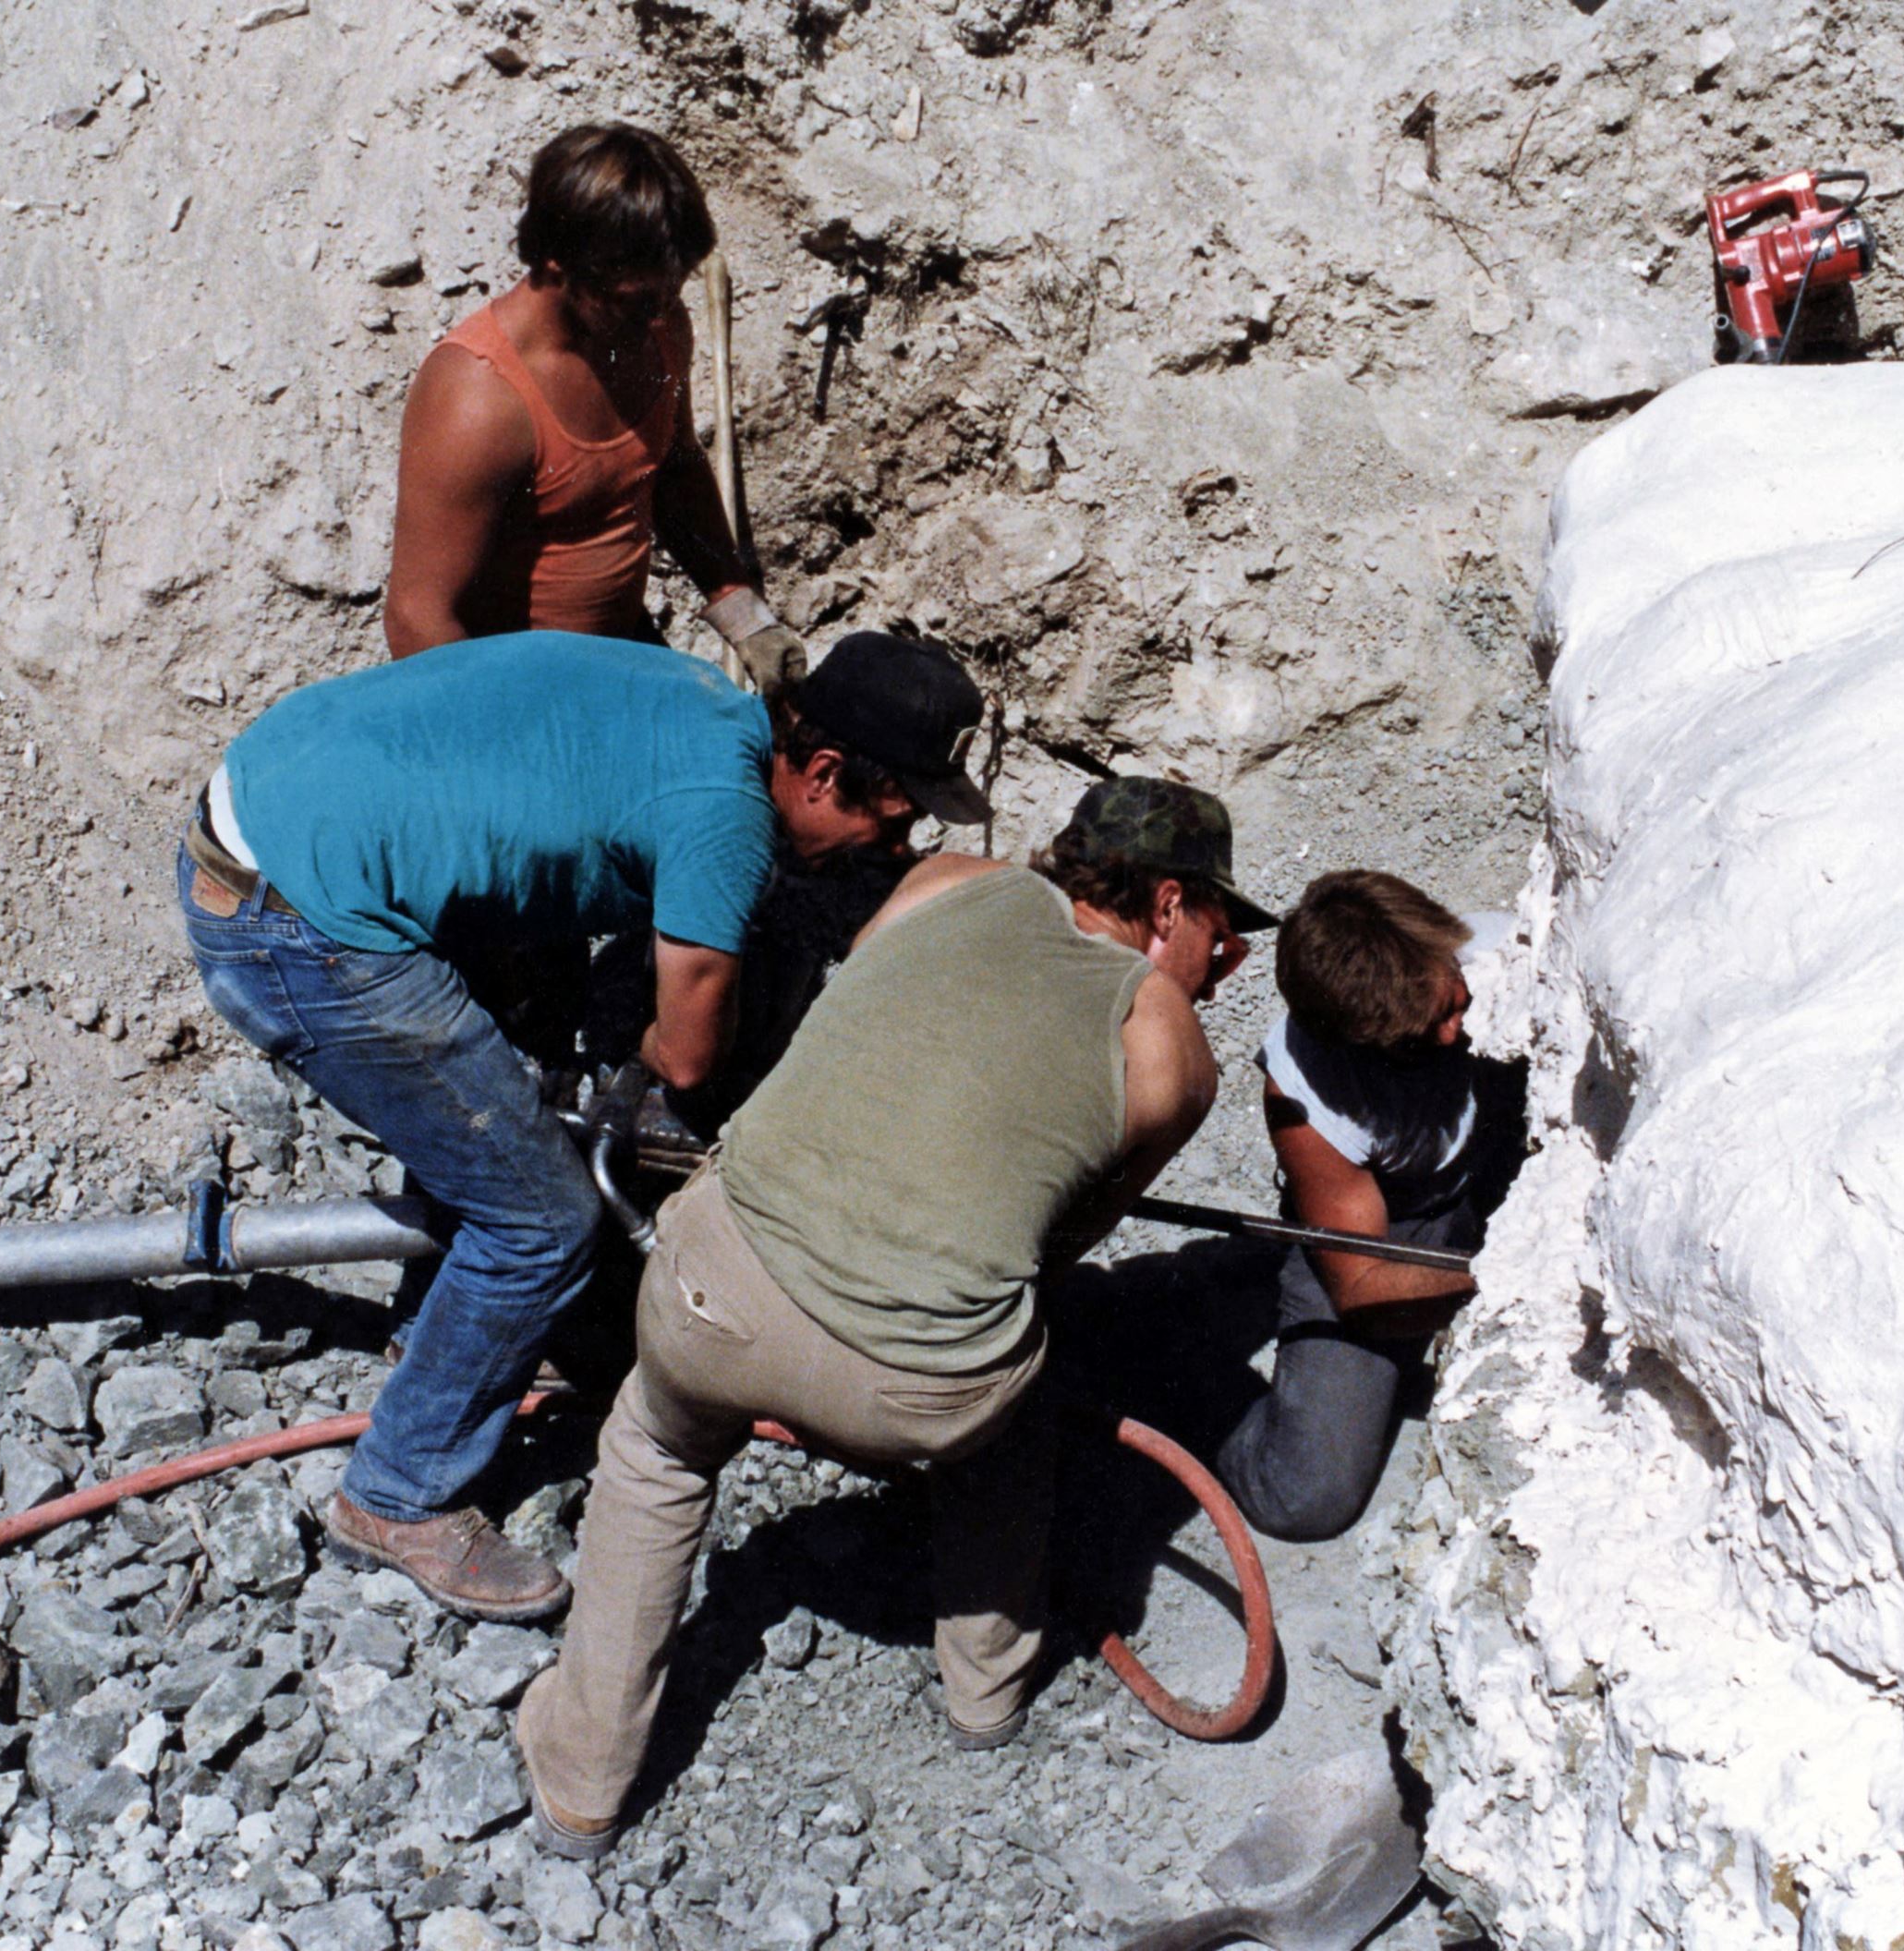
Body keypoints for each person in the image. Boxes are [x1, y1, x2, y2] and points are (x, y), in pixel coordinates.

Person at [515, 775, 1274, 1859]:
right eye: (1216, 924)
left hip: (707, 1294)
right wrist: (1172, 1000)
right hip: (915, 1391)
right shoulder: (1171, 1052)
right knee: (1014, 1406)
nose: (1223, 954)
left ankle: (580, 1784)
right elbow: (1054, 1248)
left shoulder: (942, 882)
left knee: (654, 1451)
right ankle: (986, 1695)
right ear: (1164, 904)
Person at [175, 628, 988, 1619]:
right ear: (820, 771)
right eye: (891, 823)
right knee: (539, 1221)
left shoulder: (697, 696)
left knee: (508, 1091)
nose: (893, 851)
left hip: (268, 804)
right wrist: (642, 1079)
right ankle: (398, 1491)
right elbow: (686, 1055)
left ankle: (440, 1333)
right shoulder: (722, 818)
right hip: (294, 924)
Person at [382, 122, 803, 688]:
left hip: (620, 652)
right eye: (639, 300)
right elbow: (418, 618)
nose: (664, 315)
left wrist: (742, 612)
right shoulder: (479, 398)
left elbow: (674, 467)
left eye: (672, 290)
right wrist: (504, 746)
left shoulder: (654, 329)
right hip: (513, 684)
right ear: (559, 265)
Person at [1212, 870, 1518, 1543]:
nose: (1450, 1035)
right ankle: (1194, 1385)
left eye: (1454, 1005)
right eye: (1417, 1036)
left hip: (1490, 1167)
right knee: (1305, 1498)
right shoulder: (1306, 1093)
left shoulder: (1506, 953)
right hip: (1387, 1226)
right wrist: (1512, 1273)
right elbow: (1362, 1288)